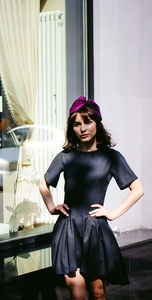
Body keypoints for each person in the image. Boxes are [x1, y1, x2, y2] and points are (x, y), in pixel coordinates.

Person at [39, 97, 144, 300]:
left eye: (88, 122)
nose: (83, 128)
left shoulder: (111, 157)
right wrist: (52, 207)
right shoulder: (65, 156)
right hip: (67, 228)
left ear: (97, 123)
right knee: (77, 294)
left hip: (94, 229)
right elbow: (43, 183)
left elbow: (137, 189)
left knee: (97, 292)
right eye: (77, 124)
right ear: (72, 128)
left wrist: (112, 213)